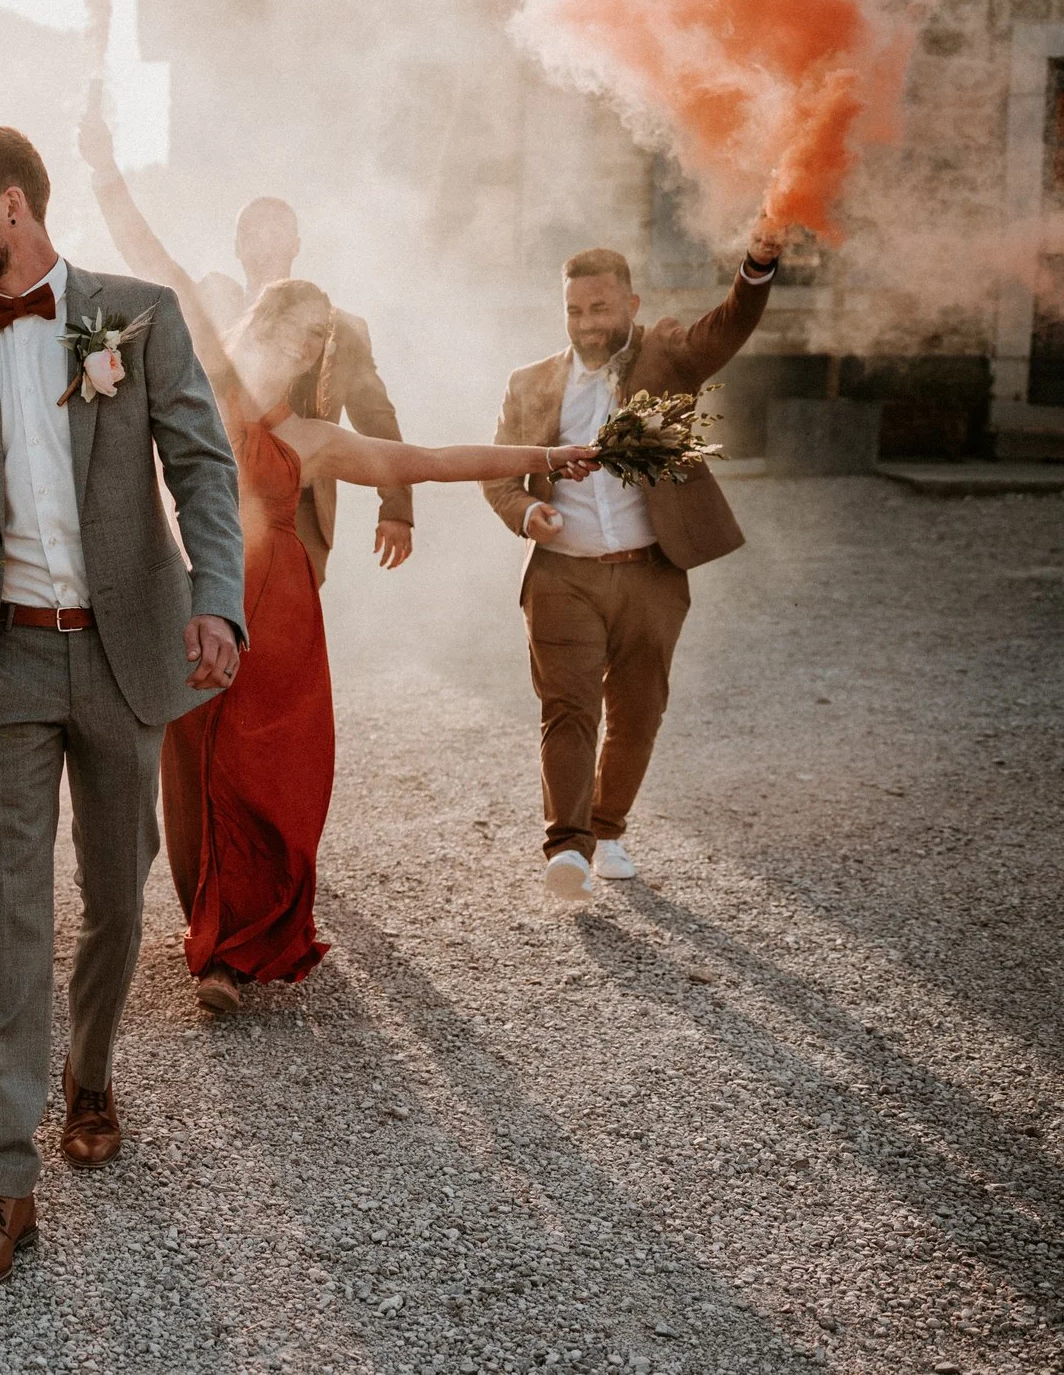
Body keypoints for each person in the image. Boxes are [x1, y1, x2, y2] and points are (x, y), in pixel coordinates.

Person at [0, 126, 246, 1289]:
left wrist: (219, 602)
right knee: (12, 916)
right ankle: (4, 1173)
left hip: (126, 652)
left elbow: (201, 463)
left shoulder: (135, 311)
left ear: (10, 205)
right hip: (0, 667)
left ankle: (89, 1071)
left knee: (112, 894)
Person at [170, 278, 603, 1011]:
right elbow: (169, 277)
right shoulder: (198, 390)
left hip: (279, 611)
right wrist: (108, 178)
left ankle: (233, 954)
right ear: (264, 321)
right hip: (196, 595)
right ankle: (209, 923)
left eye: (319, 340)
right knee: (193, 770)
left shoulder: (308, 436)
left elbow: (425, 460)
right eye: (298, 329)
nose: (306, 347)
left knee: (261, 769)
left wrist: (548, 456)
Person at [484, 237, 782, 899]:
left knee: (638, 711)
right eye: (574, 310)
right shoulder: (529, 382)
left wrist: (756, 267)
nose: (588, 322)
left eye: (601, 307)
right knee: (568, 708)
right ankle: (566, 846)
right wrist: (529, 513)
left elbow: (728, 324)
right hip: (562, 574)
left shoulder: (666, 355)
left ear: (631, 303)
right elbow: (501, 473)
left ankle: (608, 828)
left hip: (652, 571)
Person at [80, 102, 414, 582]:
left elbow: (377, 421)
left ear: (298, 244)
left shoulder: (342, 329)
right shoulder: (211, 307)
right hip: (209, 496)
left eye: (278, 233)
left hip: (297, 511)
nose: (265, 243)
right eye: (251, 234)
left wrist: (396, 506)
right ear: (236, 246)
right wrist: (105, 170)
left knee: (282, 635)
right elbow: (148, 257)